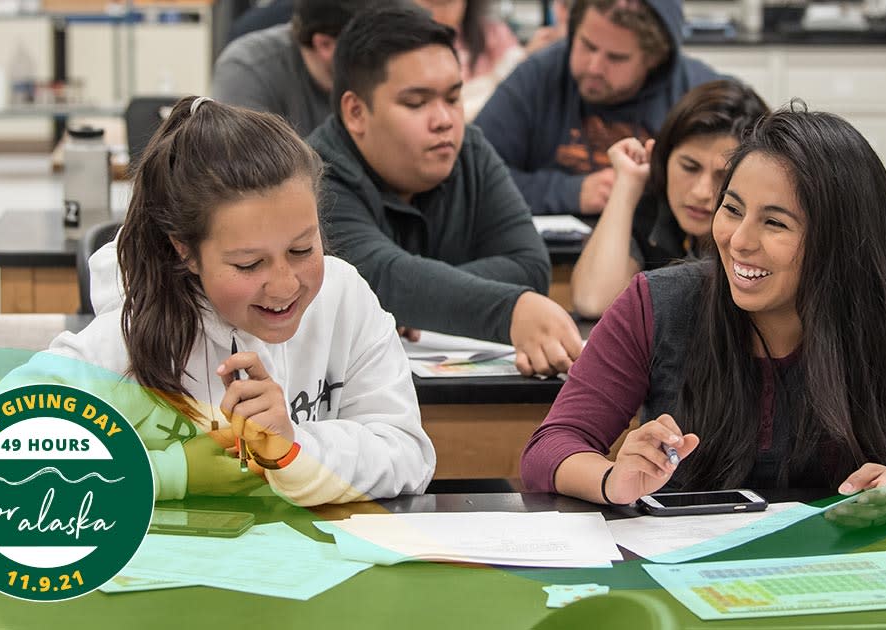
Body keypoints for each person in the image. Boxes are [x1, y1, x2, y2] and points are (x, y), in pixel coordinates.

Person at [521, 106, 886, 527]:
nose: (739, 240)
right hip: (686, 574)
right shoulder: (656, 304)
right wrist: (614, 479)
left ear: (837, 241)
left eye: (774, 222)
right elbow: (552, 446)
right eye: (732, 209)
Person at [0, 97, 436, 506]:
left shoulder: (344, 299)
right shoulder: (127, 339)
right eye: (249, 264)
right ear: (185, 251)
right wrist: (172, 473)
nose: (284, 285)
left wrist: (294, 449)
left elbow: (408, 454)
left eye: (302, 249)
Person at [308, 5, 583, 377]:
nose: (444, 121)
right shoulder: (313, 179)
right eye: (417, 103)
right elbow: (375, 275)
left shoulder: (469, 151)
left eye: (453, 98)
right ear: (356, 112)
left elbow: (529, 266)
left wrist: (417, 300)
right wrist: (508, 310)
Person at [474, 0, 721, 215]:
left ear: (654, 58)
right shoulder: (537, 77)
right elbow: (473, 176)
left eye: (616, 58)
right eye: (588, 46)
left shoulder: (701, 95)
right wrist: (570, 192)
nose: (594, 67)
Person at [570, 79, 767, 318]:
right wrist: (626, 185)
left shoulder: (760, 236)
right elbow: (592, 301)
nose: (702, 192)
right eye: (689, 167)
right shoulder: (651, 207)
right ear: (663, 159)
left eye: (723, 176)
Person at [212, 0, 390, 136]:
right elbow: (244, 166)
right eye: (370, 44)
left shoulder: (384, 65)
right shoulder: (247, 69)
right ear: (325, 45)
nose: (383, 54)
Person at [413, 0, 524, 120]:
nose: (442, 11)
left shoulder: (493, 33)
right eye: (433, 3)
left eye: (449, 3)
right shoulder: (407, 45)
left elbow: (519, 80)